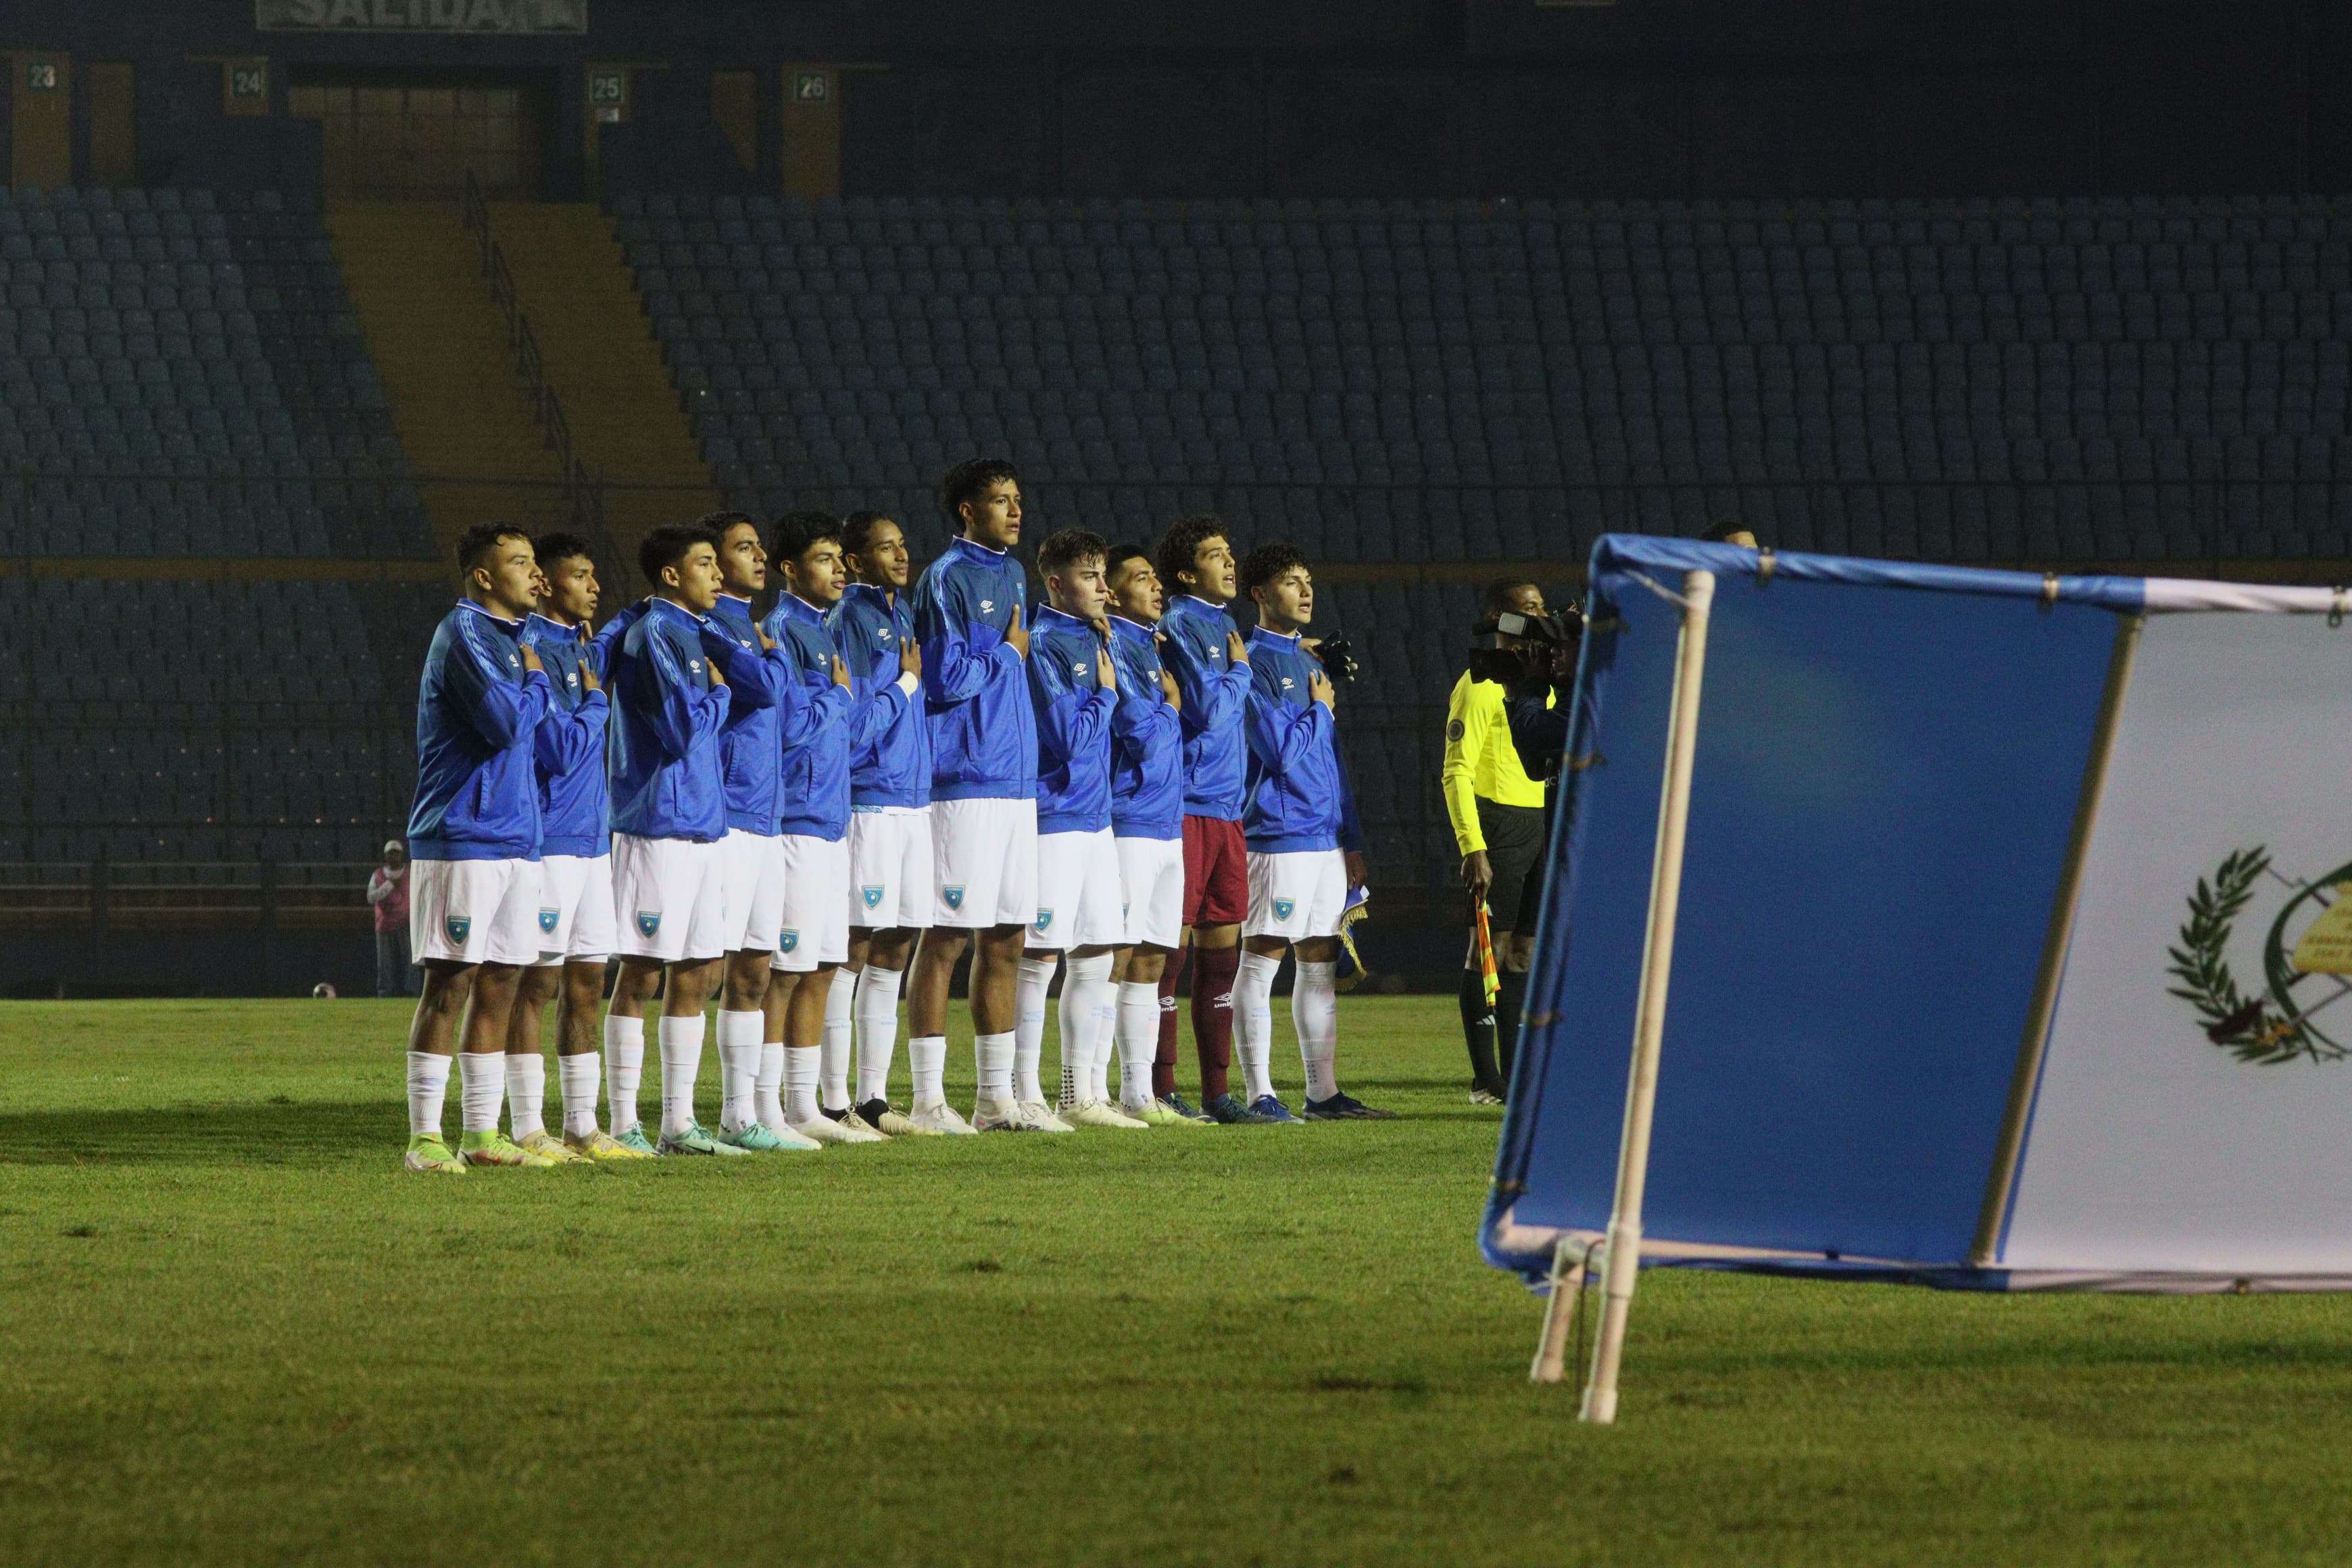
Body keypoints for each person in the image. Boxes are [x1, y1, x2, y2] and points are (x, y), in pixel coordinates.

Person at [400, 522, 558, 1173]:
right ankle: (424, 1139)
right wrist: (539, 680)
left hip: (516, 838)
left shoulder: (515, 639)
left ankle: (482, 1136)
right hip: (462, 835)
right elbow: (505, 725)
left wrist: (532, 662)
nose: (534, 572)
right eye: (519, 562)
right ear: (485, 577)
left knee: (501, 983)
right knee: (451, 983)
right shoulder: (464, 634)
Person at [1233, 542, 1393, 1121]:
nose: (1305, 591)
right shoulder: (1251, 661)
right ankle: (1259, 1094)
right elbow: (1277, 752)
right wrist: (1321, 711)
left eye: (1308, 581)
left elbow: (1331, 760)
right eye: (1290, 582)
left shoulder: (1309, 662)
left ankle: (1322, 1093)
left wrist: (1349, 838)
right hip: (1277, 833)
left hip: (1323, 837)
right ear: (1258, 593)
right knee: (1261, 959)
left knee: (1319, 960)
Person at [905, 460, 1040, 1133]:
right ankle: (928, 1100)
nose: (1015, 510)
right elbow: (943, 678)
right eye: (998, 500)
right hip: (962, 779)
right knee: (948, 936)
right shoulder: (947, 578)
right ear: (965, 510)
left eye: (1017, 499)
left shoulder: (1014, 574)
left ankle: (994, 1099)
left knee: (1010, 936)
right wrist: (1010, 655)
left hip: (1015, 783)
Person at [503, 533, 645, 1162]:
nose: (593, 586)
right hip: (550, 841)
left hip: (593, 842)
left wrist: (640, 612)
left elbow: (610, 636)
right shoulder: (529, 648)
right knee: (536, 983)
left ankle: (583, 1127)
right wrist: (594, 700)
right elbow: (557, 750)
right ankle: (527, 1125)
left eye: (594, 575)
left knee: (587, 982)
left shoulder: (583, 644)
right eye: (580, 576)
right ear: (548, 584)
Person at [603, 522, 743, 1157]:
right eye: (706, 564)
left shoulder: (688, 632)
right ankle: (623, 1122)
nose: (718, 575)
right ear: (670, 576)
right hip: (656, 824)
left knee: (700, 972)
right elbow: (682, 731)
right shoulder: (655, 633)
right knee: (641, 973)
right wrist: (718, 694)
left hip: (702, 827)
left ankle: (678, 1124)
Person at [698, 510, 818, 1154]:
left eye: (758, 545)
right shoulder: (715, 626)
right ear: (715, 565)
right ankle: (681, 1116)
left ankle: (748, 1114)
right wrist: (769, 663)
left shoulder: (749, 627)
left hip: (768, 819)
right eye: (743, 548)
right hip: (729, 819)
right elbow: (765, 692)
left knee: (756, 970)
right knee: (706, 971)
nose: (759, 555)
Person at [756, 511, 874, 1145]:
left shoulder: (824, 632)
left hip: (832, 819)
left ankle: (806, 1107)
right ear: (791, 569)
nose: (837, 569)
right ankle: (767, 1105)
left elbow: (841, 732)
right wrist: (837, 697)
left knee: (824, 965)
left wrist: (839, 702)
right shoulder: (784, 629)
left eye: (837, 558)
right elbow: (792, 726)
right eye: (823, 559)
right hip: (798, 821)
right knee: (786, 969)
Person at [1153, 516, 1273, 1123]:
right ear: (1184, 572)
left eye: (1230, 552)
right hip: (1189, 807)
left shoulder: (1223, 625)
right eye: (1214, 555)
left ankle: (1218, 1095)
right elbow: (1204, 710)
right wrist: (1243, 671)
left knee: (1222, 955)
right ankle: (1162, 1087)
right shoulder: (1179, 623)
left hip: (1227, 811)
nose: (1230, 563)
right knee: (1170, 959)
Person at [827, 510, 939, 1135]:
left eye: (903, 544)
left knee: (897, 944)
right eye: (885, 547)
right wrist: (904, 684)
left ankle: (873, 1099)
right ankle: (832, 1098)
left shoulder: (901, 615)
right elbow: (856, 724)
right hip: (871, 801)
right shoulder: (851, 619)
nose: (901, 555)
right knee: (854, 946)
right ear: (854, 559)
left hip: (912, 802)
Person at [1017, 527, 1131, 1131]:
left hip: (1095, 817)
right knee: (1038, 957)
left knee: (1094, 956)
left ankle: (1081, 1094)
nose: (1103, 588)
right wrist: (1107, 696)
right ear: (1057, 583)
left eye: (1104, 575)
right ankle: (1025, 1092)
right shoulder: (1045, 643)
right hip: (1055, 817)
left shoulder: (1092, 637)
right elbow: (1069, 739)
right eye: (1090, 577)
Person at [1102, 543, 1205, 1125]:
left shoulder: (1149, 644)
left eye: (1154, 577)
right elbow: (1137, 729)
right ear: (1114, 592)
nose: (1156, 585)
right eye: (1141, 578)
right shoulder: (1113, 642)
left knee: (1151, 958)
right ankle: (1086, 1091)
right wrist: (1170, 705)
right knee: (1115, 956)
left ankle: (1140, 1095)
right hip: (1131, 818)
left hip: (1167, 821)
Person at [1443, 579, 1554, 1105]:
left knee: (1525, 953)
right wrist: (1473, 845)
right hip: (1500, 826)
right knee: (1487, 949)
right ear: (1500, 619)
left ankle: (1516, 1077)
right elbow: (1456, 771)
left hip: (1542, 822)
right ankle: (1485, 1081)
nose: (1539, 615)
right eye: (1528, 608)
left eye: (1541, 607)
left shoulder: (1545, 683)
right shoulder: (1480, 683)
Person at [367, 841, 411, 999]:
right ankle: (384, 993)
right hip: (384, 926)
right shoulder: (378, 875)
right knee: (385, 964)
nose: (394, 856)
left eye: (397, 853)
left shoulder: (410, 873)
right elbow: (370, 898)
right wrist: (388, 886)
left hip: (406, 925)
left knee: (409, 963)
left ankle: (411, 993)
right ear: (386, 856)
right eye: (391, 853)